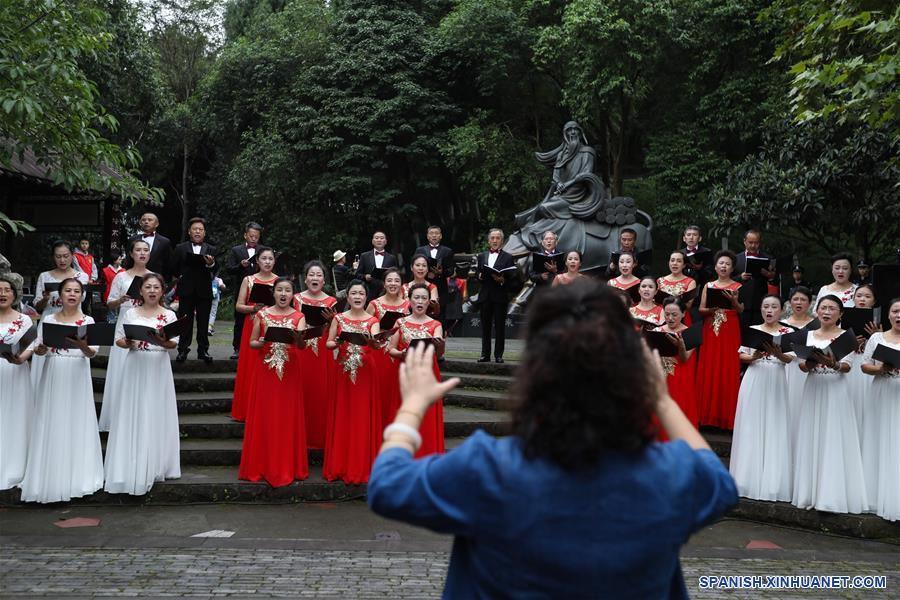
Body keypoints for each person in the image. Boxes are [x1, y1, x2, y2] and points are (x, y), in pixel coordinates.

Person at [368, 282, 737, 598]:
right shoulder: (667, 476)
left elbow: (388, 485)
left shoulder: (489, 468)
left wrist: (413, 405)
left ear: (535, 372)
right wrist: (661, 399)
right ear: (629, 375)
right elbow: (717, 480)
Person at [20, 278, 103, 503]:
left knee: (77, 421)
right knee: (52, 420)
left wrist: (81, 344)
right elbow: (38, 350)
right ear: (61, 294)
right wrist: (42, 348)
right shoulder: (48, 319)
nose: (72, 294)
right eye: (68, 291)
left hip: (77, 374)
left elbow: (91, 353)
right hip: (53, 373)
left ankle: (79, 476)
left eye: (77, 291)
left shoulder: (88, 320)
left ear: (82, 295)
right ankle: (49, 475)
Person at [104, 273, 181, 495]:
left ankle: (158, 462)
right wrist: (127, 341)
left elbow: (173, 344)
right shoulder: (130, 313)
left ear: (162, 290)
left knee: (157, 411)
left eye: (157, 287)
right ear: (141, 290)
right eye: (148, 287)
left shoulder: (169, 315)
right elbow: (119, 340)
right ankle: (130, 460)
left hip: (158, 367)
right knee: (133, 411)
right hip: (135, 365)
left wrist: (160, 340)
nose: (152, 291)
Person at [792, 295, 868, 514]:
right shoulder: (806, 335)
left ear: (840, 313)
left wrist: (833, 363)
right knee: (812, 435)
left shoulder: (847, 337)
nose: (826, 312)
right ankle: (810, 492)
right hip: (814, 387)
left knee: (833, 436)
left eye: (832, 308)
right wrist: (810, 362)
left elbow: (847, 366)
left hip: (836, 388)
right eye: (823, 308)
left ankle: (832, 494)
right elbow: (802, 367)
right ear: (817, 311)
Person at [239, 277, 308, 487]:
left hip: (289, 373)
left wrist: (298, 340)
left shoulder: (299, 316)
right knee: (265, 415)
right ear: (274, 293)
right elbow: (252, 342)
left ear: (292, 294)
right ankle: (261, 465)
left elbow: (303, 346)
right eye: (280, 290)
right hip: (266, 372)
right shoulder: (262, 314)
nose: (284, 294)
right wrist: (260, 342)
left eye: (287, 290)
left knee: (287, 416)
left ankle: (288, 466)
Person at [730, 295, 794, 501]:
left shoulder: (787, 332)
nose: (770, 310)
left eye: (774, 307)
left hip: (776, 378)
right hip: (755, 378)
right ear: (761, 309)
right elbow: (741, 355)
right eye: (766, 306)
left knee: (774, 425)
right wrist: (754, 356)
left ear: (780, 311)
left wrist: (778, 354)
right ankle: (746, 479)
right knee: (751, 425)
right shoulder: (753, 329)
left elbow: (790, 359)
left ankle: (773, 482)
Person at [323, 280, 383, 484]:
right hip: (343, 373)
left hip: (366, 373)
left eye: (361, 294)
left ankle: (362, 466)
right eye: (354, 293)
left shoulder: (373, 320)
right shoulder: (339, 319)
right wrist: (336, 342)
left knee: (362, 416)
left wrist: (374, 343)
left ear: (366, 298)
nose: (357, 297)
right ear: (347, 297)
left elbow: (376, 344)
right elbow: (329, 343)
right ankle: (340, 465)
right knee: (344, 414)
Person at [387, 282, 446, 457]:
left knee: (426, 417)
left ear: (429, 302)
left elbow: (439, 353)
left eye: (424, 298)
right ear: (409, 301)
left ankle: (426, 456)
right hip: (405, 373)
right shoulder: (400, 322)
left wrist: (441, 346)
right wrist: (401, 353)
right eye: (416, 297)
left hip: (427, 375)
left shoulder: (435, 324)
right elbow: (391, 349)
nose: (420, 301)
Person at [99, 239, 151, 432]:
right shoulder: (121, 277)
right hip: (125, 320)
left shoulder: (153, 277)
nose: (142, 253)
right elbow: (110, 303)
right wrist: (121, 299)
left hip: (146, 321)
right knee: (121, 368)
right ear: (131, 253)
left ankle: (141, 417)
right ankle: (117, 419)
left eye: (146, 250)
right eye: (138, 250)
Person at [860, 297, 900, 522]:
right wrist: (882, 368)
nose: (898, 315)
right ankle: (874, 493)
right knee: (879, 437)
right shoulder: (877, 338)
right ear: (888, 315)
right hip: (881, 390)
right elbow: (865, 365)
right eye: (895, 311)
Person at [696, 250, 744, 430]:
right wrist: (711, 309)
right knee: (709, 367)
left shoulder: (738, 287)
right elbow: (700, 309)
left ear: (732, 268)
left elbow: (741, 310)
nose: (723, 266)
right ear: (715, 266)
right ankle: (706, 417)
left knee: (728, 367)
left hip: (730, 329)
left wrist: (733, 302)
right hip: (710, 328)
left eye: (727, 264)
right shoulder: (708, 286)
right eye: (721, 263)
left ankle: (727, 419)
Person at [31, 241, 89, 387]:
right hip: (50, 319)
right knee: (45, 357)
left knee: (74, 354)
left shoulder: (81, 276)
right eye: (58, 256)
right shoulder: (44, 276)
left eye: (65, 256)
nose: (62, 260)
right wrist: (45, 298)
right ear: (53, 257)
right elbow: (38, 306)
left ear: (72, 256)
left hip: (74, 320)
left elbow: (81, 299)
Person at [230, 248, 279, 422]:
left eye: (270, 259)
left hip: (273, 326)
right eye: (263, 258)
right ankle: (247, 408)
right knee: (250, 365)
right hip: (253, 324)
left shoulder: (279, 281)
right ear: (257, 261)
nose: (267, 262)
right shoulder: (248, 280)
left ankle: (268, 407)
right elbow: (238, 306)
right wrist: (253, 308)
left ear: (274, 261)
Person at [294, 260, 338, 450]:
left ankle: (320, 436)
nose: (315, 278)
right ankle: (298, 435)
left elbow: (337, 330)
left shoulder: (331, 301)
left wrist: (332, 320)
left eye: (319, 275)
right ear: (305, 279)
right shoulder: (296, 299)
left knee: (321, 392)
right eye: (311, 274)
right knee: (300, 391)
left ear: (324, 280)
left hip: (322, 351)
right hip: (301, 349)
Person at [0, 276, 35, 490]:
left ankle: (14, 467)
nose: (2, 293)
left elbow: (30, 345)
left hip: (15, 372)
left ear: (14, 295)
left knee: (15, 416)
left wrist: (22, 358)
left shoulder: (24, 320)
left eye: (6, 290)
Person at [367, 269, 409, 424]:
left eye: (396, 280)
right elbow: (366, 327)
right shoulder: (374, 304)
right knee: (380, 390)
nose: (393, 284)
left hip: (401, 353)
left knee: (397, 391)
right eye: (389, 280)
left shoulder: (408, 304)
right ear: (384, 284)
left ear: (401, 284)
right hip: (379, 353)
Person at [172, 217, 217, 363]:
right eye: (195, 229)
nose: (197, 231)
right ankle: (183, 350)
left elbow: (217, 269)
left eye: (201, 229)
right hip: (186, 289)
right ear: (189, 231)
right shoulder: (180, 248)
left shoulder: (211, 249)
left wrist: (211, 264)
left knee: (203, 322)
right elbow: (173, 267)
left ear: (204, 233)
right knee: (185, 321)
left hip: (204, 291)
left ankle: (203, 350)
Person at [654, 297, 698, 429]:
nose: (670, 318)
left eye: (674, 314)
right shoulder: (657, 332)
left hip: (680, 379)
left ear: (683, 313)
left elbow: (685, 359)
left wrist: (680, 346)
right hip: (661, 379)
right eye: (667, 314)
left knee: (679, 415)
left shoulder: (691, 333)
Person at [476, 228, 515, 363]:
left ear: (502, 241)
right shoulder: (482, 256)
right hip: (485, 295)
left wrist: (503, 280)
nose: (495, 240)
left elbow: (512, 279)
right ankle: (485, 354)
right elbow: (478, 274)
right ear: (488, 241)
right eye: (492, 238)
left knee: (500, 327)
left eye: (497, 238)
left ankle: (499, 355)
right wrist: (479, 276)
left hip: (500, 296)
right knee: (485, 327)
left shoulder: (508, 257)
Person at [847, 284, 881, 439]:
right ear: (853, 298)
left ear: (874, 301)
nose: (862, 299)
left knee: (868, 405)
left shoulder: (882, 323)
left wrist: (877, 336)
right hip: (850, 364)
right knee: (850, 404)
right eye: (859, 296)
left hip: (870, 367)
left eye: (867, 297)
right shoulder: (842, 319)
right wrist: (850, 340)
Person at [226, 222, 264, 359]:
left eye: (256, 236)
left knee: (261, 317)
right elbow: (229, 269)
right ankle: (237, 348)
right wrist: (240, 266)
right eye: (251, 236)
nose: (253, 239)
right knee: (240, 320)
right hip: (242, 289)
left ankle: (261, 344)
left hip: (261, 288)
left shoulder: (263, 250)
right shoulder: (236, 250)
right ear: (245, 235)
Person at [781, 286, 815, 440]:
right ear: (790, 302)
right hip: (788, 368)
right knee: (788, 406)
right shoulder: (781, 324)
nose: (799, 302)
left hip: (809, 369)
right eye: (795, 299)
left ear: (809, 303)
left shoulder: (817, 326)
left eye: (803, 299)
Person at [413, 225, 455, 322]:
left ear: (441, 236)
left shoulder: (447, 251)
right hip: (423, 285)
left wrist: (441, 272)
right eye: (431, 233)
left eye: (436, 233)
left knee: (441, 314)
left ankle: (439, 335)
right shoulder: (420, 250)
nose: (434, 236)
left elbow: (451, 270)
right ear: (427, 236)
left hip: (441, 287)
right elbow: (414, 266)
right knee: (421, 312)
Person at [735, 229, 774, 327]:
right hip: (741, 304)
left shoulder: (768, 258)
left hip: (760, 304)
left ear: (759, 243)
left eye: (756, 243)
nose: (753, 245)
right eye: (750, 242)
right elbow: (729, 279)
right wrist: (740, 277)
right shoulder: (736, 259)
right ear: (744, 241)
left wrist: (769, 275)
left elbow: (775, 280)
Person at [657, 250, 698, 325]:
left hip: (682, 320)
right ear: (669, 263)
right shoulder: (660, 281)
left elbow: (688, 305)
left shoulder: (691, 282)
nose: (675, 263)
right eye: (672, 260)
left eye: (679, 261)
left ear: (684, 265)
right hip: (662, 318)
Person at [130, 212, 172, 280]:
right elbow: (129, 260)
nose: (146, 222)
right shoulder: (132, 239)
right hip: (134, 277)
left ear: (157, 224)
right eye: (143, 220)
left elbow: (168, 264)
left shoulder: (165, 242)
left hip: (156, 279)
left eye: (150, 220)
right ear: (140, 223)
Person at [357, 231, 398, 300]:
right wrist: (365, 276)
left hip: (386, 291)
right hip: (369, 292)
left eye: (382, 238)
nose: (379, 240)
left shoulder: (392, 258)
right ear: (373, 241)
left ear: (385, 241)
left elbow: (396, 274)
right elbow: (357, 274)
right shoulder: (365, 256)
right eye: (376, 238)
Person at [101, 250, 125, 323]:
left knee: (121, 314)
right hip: (109, 294)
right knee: (111, 314)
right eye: (119, 259)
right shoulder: (105, 270)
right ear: (114, 260)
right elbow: (103, 284)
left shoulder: (123, 270)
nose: (121, 260)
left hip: (121, 294)